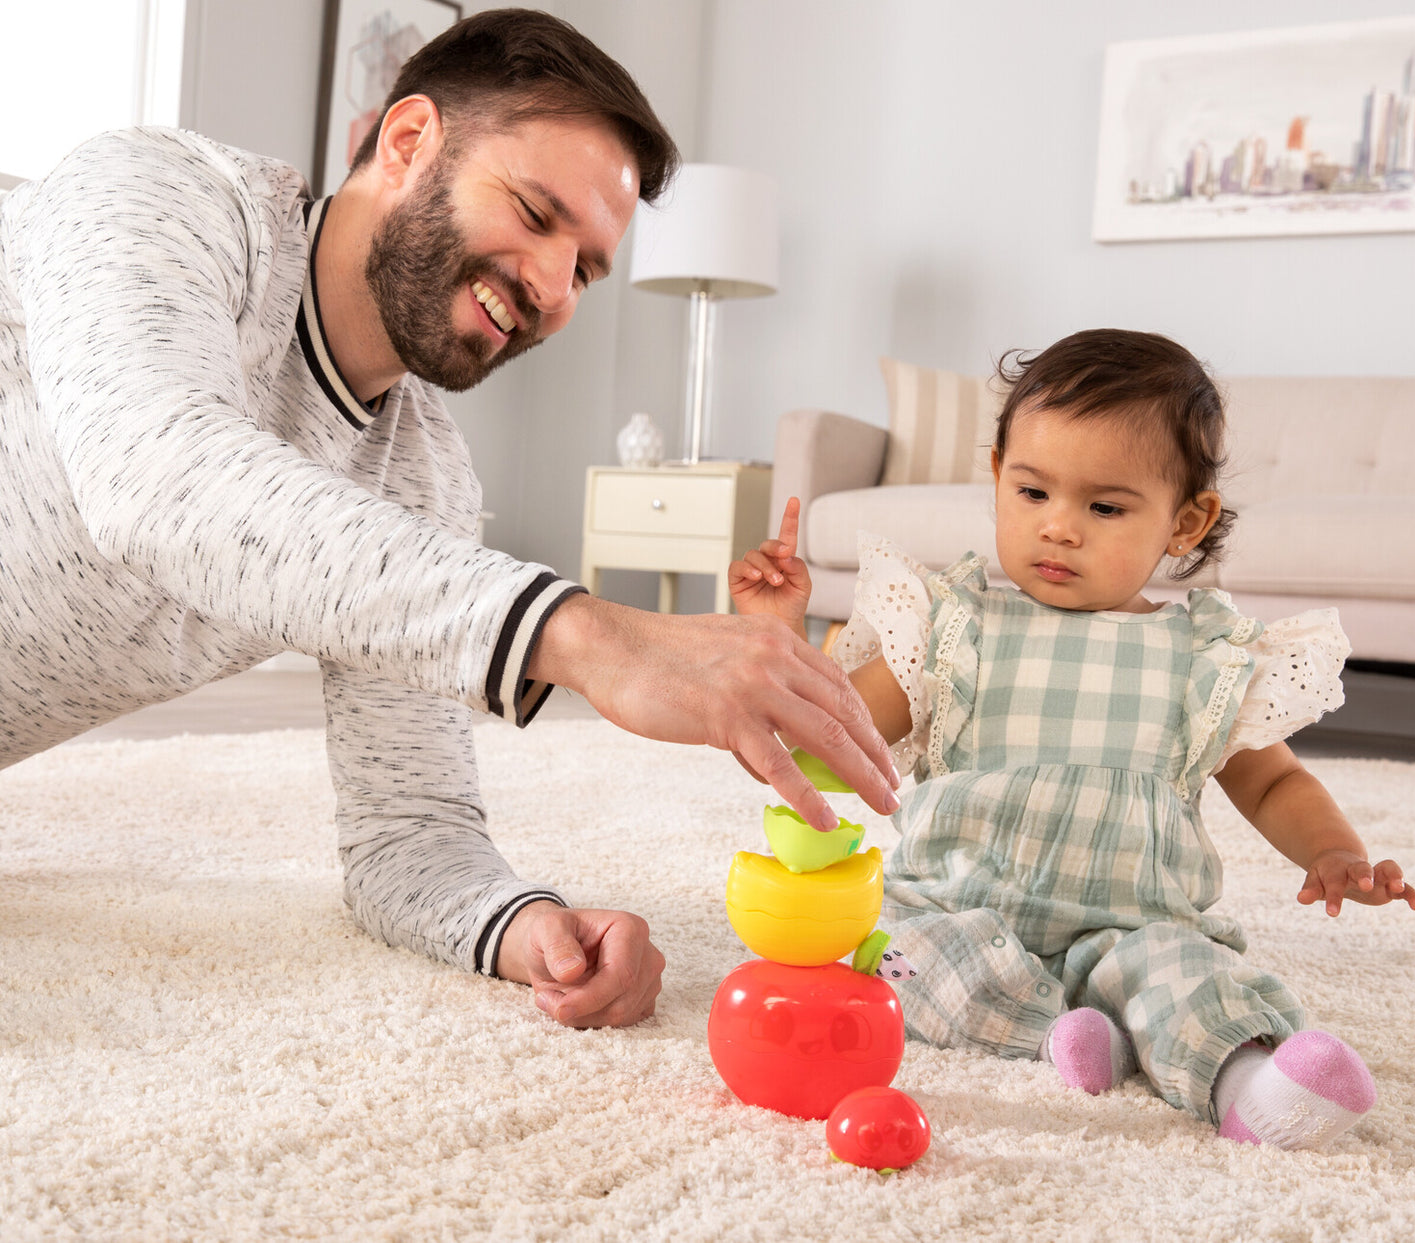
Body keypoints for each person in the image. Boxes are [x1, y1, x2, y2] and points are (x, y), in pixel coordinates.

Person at [0, 9, 898, 1031]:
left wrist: (530, 930)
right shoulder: (155, 196)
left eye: (587, 267)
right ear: (409, 140)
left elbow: (407, 834)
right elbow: (155, 476)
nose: (554, 288)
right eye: (533, 210)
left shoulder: (418, 479)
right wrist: (584, 634)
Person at [729, 328, 1415, 1150]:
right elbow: (834, 740)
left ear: (1184, 521)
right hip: (957, 901)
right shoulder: (952, 629)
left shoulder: (1200, 658)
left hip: (1131, 922)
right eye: (1032, 494)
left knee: (1189, 978)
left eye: (1103, 506)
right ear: (995, 476)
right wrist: (776, 633)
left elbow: (1273, 784)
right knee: (896, 956)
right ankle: (1058, 1033)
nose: (1058, 528)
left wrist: (1331, 850)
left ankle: (1250, 1083)